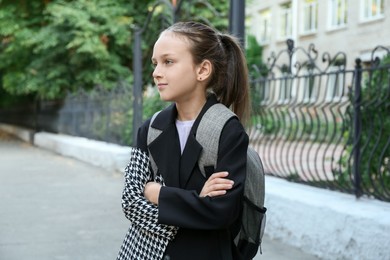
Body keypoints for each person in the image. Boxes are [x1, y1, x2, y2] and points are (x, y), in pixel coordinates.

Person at [136, 21, 250, 260]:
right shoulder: (151, 128)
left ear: (202, 70)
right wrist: (198, 199)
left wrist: (157, 193)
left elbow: (222, 212)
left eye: (168, 62)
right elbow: (130, 202)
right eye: (155, 63)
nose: (156, 72)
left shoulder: (227, 130)